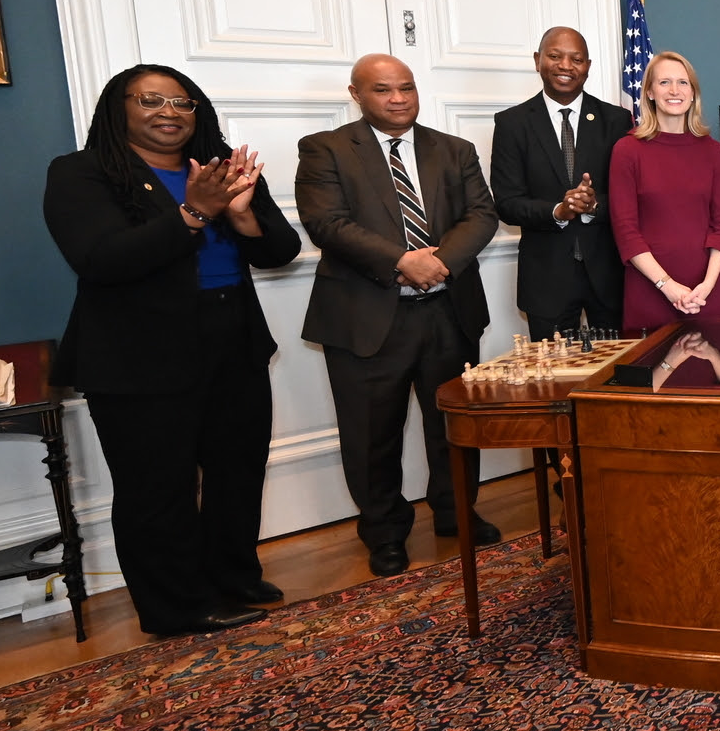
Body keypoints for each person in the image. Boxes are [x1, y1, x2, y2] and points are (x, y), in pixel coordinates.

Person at [43, 65, 301, 635]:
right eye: (151, 100)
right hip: (140, 356)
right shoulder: (81, 173)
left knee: (237, 470)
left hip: (232, 341)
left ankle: (232, 576)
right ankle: (175, 605)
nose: (168, 112)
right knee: (157, 488)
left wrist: (241, 214)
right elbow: (102, 260)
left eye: (182, 102)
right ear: (119, 108)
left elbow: (280, 251)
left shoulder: (219, 168)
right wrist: (195, 213)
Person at [296, 54, 501, 578]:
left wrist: (439, 262)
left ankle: (457, 512)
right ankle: (385, 533)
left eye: (406, 88)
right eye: (383, 90)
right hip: (366, 316)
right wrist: (401, 261)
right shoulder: (326, 150)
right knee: (371, 435)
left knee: (452, 424)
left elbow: (481, 214)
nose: (398, 99)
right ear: (356, 94)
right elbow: (326, 222)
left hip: (447, 313)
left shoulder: (453, 149)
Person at [489, 26, 634, 340]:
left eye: (576, 59)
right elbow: (507, 203)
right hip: (547, 281)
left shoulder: (616, 120)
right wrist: (558, 210)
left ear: (588, 67)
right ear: (537, 60)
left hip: (609, 277)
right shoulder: (512, 124)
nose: (566, 66)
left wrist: (594, 205)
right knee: (554, 381)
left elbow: (631, 197)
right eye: (555, 56)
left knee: (616, 375)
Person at [608, 51, 720, 329]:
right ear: (650, 92)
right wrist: (668, 286)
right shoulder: (627, 150)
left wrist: (707, 285)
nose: (674, 90)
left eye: (683, 83)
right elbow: (626, 232)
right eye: (664, 82)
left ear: (693, 93)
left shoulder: (713, 152)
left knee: (713, 368)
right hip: (650, 290)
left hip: (707, 292)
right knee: (655, 367)